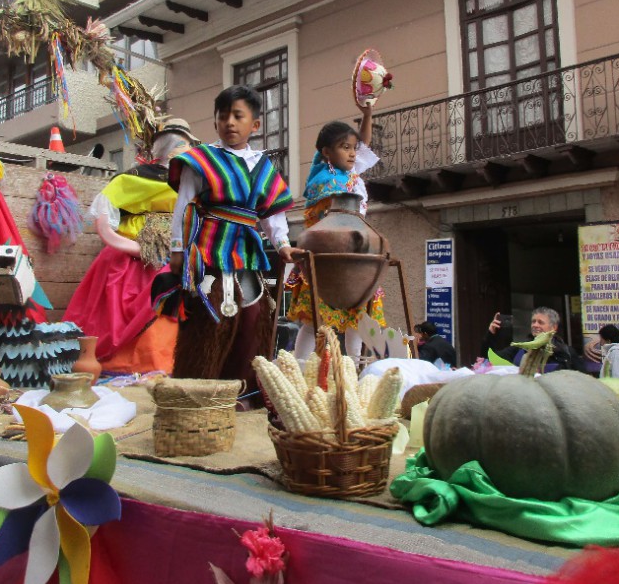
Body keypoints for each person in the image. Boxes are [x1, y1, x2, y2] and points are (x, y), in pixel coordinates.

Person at [167, 86, 295, 385]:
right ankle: (197, 386)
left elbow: (273, 215)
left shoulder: (263, 167)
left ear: (255, 124)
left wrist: (284, 245)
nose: (230, 123)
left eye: (238, 116)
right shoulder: (199, 160)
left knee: (252, 321)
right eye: (223, 116)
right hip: (208, 250)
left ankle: (243, 392)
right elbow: (184, 205)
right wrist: (177, 249)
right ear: (215, 122)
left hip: (248, 254)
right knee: (210, 319)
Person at [63, 118, 198, 374]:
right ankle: (136, 360)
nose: (182, 149)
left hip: (177, 253)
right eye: (179, 143)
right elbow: (105, 225)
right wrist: (138, 249)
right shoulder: (132, 179)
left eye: (186, 144)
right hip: (133, 255)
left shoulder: (193, 183)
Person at [287, 98, 384, 363]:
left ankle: (353, 365)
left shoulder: (350, 175)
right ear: (327, 153)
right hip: (327, 257)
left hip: (356, 254)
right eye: (345, 148)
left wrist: (367, 113)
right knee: (313, 319)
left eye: (353, 149)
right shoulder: (325, 181)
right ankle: (299, 364)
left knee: (358, 316)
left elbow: (362, 143)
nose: (353, 153)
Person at [483, 308, 577, 371]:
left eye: (540, 322)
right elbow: (488, 360)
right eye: (533, 321)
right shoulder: (519, 349)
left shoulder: (567, 352)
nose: (535, 325)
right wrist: (491, 334)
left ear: (554, 327)